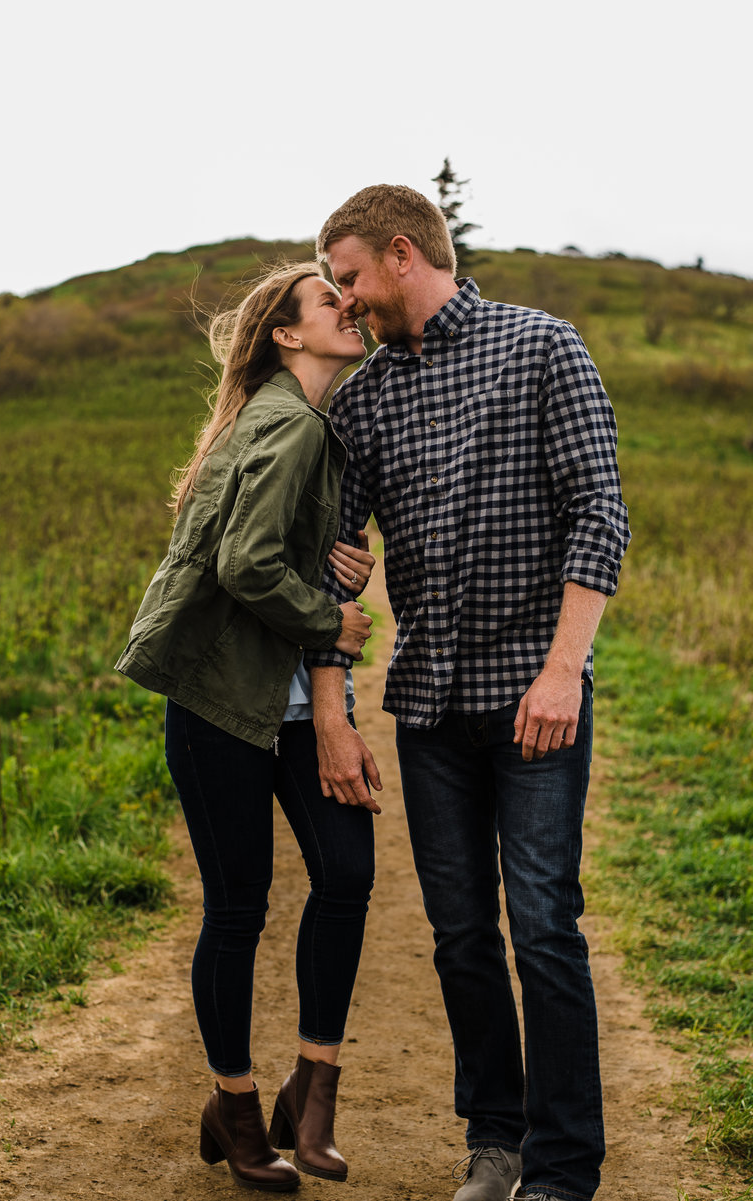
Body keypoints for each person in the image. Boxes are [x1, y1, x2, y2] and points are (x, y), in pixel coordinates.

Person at [304, 186, 631, 1201]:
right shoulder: (361, 401)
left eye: (349, 279)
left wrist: (561, 669)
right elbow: (329, 567)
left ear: (402, 254)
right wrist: (329, 705)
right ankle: (494, 1142)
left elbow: (598, 514)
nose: (344, 302)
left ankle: (563, 1167)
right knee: (458, 936)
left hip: (536, 701)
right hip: (430, 713)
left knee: (541, 923)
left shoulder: (542, 347)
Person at [115, 261, 383, 1194]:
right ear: (286, 333)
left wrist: (334, 570)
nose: (349, 312)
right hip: (220, 704)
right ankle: (235, 1104)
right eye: (328, 304)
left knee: (347, 872)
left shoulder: (299, 421)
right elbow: (244, 562)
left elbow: (279, 551)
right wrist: (329, 619)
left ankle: (313, 1085)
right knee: (238, 910)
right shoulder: (289, 421)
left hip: (288, 704)